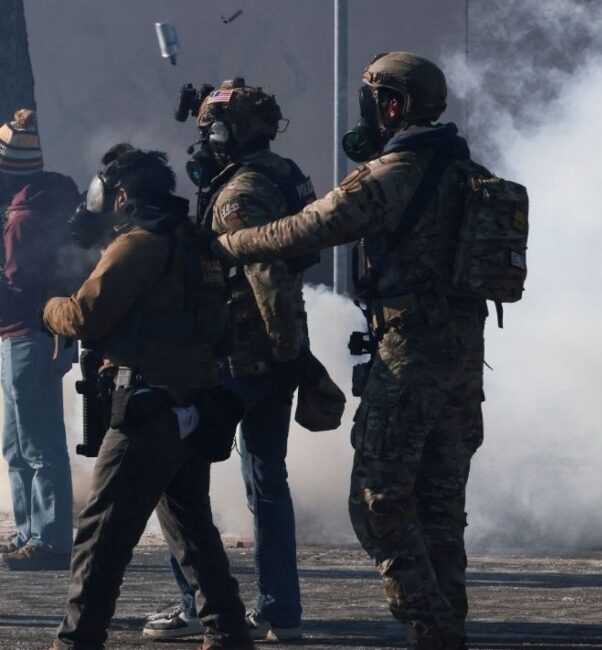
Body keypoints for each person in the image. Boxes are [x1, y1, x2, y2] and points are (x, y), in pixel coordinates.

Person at [211, 52, 489, 650]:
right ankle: (444, 632)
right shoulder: (468, 171)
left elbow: (309, 227)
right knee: (440, 507)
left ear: (392, 106)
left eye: (370, 98)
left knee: (376, 502)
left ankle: (433, 625)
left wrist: (232, 244)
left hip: (408, 354)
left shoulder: (393, 174)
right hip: (465, 359)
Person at [45, 144, 253, 650]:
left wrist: (49, 308)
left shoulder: (138, 244)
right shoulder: (196, 244)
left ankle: (76, 641)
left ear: (121, 197)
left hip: (147, 410)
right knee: (192, 531)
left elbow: (85, 316)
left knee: (101, 535)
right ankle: (227, 632)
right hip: (193, 406)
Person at [143, 78, 316, 644]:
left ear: (228, 133)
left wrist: (281, 350)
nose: (204, 142)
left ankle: (199, 604)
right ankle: (281, 611)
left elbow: (264, 274)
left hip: (236, 358)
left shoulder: (239, 194)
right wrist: (292, 355)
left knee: (182, 482)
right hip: (274, 356)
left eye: (210, 131)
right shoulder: (282, 175)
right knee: (268, 483)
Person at [0, 109, 80, 571]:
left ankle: (49, 540)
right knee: (18, 444)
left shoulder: (22, 219)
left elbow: (16, 284)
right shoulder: (47, 203)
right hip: (36, 334)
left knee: (37, 443)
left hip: (27, 335)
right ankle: (30, 531)